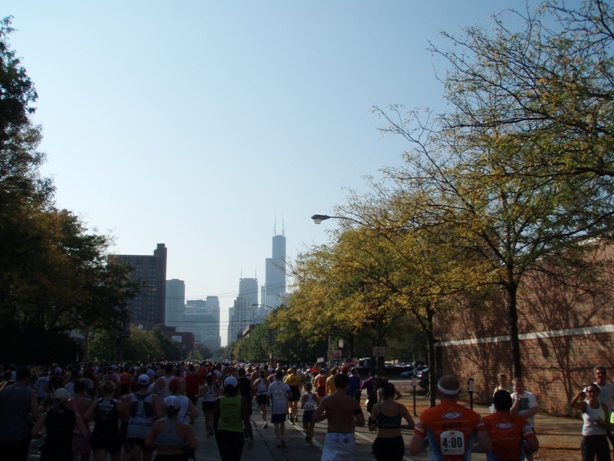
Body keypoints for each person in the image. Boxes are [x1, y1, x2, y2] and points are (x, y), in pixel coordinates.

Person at [409, 374, 491, 459]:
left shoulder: (426, 416)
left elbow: (414, 450)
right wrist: (469, 447)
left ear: (439, 392)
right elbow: (487, 446)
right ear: (459, 392)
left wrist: (428, 441)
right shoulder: (474, 416)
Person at [311, 372, 365, 461]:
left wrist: (327, 415)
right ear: (347, 385)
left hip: (332, 435)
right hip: (347, 436)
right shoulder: (353, 402)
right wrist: (352, 419)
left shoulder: (327, 400)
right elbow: (361, 422)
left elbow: (314, 418)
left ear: (335, 384)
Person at [478, 390, 539, 460]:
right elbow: (534, 445)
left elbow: (478, 444)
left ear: (494, 406)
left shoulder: (485, 421)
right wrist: (526, 449)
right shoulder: (521, 421)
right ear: (510, 404)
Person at [32, 387, 88, 461]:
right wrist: (74, 433)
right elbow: (84, 433)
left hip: (49, 449)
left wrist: (39, 434)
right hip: (65, 450)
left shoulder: (47, 415)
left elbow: (33, 432)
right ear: (68, 400)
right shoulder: (73, 415)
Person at [121, 373, 165, 461]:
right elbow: (160, 417)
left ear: (138, 384)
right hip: (148, 431)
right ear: (149, 384)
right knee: (147, 458)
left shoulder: (128, 398)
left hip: (133, 431)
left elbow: (125, 418)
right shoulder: (154, 398)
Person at [0, 365, 40, 461]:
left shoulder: (3, 392)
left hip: (3, 433)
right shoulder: (30, 393)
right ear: (27, 378)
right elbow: (36, 415)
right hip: (21, 434)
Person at [368, 381, 414, 461]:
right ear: (393, 393)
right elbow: (412, 425)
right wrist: (400, 426)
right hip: (397, 441)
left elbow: (372, 427)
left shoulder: (377, 407)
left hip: (382, 441)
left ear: (383, 394)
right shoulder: (401, 407)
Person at [145, 396, 198, 461]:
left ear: (165, 409)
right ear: (179, 409)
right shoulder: (185, 427)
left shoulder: (157, 424)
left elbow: (148, 442)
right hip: (179, 457)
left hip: (161, 456)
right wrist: (186, 445)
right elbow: (194, 445)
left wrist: (158, 445)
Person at [213, 376, 254, 461]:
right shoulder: (242, 400)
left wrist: (216, 434)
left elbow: (215, 420)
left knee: (225, 458)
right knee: (236, 458)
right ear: (236, 387)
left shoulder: (219, 400)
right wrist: (251, 437)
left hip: (223, 433)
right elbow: (246, 420)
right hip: (237, 434)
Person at [84, 380, 123, 461]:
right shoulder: (118, 403)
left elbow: (86, 417)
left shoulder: (96, 402)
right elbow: (125, 418)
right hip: (113, 435)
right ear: (113, 390)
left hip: (99, 434)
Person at [570, 383, 611, 461]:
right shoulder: (585, 405)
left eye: (594, 391)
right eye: (590, 392)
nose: (592, 393)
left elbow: (608, 425)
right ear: (587, 393)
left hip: (601, 438)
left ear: (598, 392)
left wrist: (602, 423)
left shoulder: (603, 406)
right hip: (588, 438)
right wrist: (578, 395)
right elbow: (573, 405)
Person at [510, 377, 538, 461]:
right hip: (515, 427)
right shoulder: (511, 397)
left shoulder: (530, 395)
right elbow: (512, 413)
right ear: (513, 387)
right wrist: (517, 400)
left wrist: (520, 418)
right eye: (516, 386)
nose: (518, 388)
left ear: (523, 386)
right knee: (516, 449)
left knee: (529, 449)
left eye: (520, 386)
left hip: (528, 425)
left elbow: (534, 410)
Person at [69, 379, 93, 461]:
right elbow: (90, 416)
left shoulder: (69, 402)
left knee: (73, 456)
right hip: (84, 431)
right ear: (84, 389)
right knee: (85, 457)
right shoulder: (88, 402)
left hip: (72, 432)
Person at [267, 369, 291, 447]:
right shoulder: (285, 385)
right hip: (283, 405)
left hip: (275, 406)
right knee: (282, 422)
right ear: (282, 376)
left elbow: (268, 395)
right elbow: (290, 394)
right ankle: (282, 436)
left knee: (276, 423)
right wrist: (286, 397)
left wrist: (271, 399)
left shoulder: (271, 385)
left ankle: (278, 440)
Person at [592, 365, 614, 447]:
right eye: (598, 373)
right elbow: (583, 401)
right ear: (595, 375)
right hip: (596, 419)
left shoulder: (611, 387)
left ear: (606, 375)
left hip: (608, 419)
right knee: (598, 445)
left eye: (603, 373)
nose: (600, 375)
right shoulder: (591, 388)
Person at [301, 382, 320, 446]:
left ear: (305, 388)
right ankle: (310, 441)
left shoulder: (304, 396)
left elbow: (302, 405)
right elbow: (318, 402)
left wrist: (304, 405)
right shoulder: (314, 395)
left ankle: (307, 433)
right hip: (313, 411)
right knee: (311, 427)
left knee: (305, 427)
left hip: (306, 412)